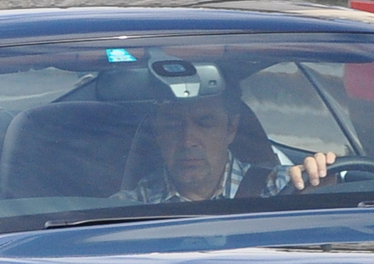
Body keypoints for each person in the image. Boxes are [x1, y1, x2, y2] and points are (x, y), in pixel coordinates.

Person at [115, 80, 336, 204]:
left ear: (231, 130)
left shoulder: (282, 187)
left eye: (204, 123)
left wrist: (322, 191)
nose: (188, 140)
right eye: (173, 126)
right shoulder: (131, 208)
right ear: (157, 133)